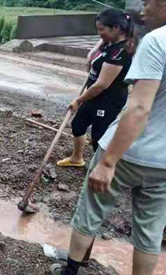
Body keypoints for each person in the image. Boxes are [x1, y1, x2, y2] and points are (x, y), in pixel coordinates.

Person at [50, 0, 166, 274]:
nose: (144, 7)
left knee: (91, 211)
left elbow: (139, 108)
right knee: (150, 233)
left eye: (149, 1)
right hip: (163, 163)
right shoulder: (125, 44)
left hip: (129, 151)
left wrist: (108, 162)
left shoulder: (156, 40)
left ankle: (71, 269)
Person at [57, 8, 135, 168]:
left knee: (99, 136)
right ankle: (76, 158)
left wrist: (78, 100)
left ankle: (101, 169)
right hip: (93, 95)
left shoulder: (120, 52)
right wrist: (92, 54)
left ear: (116, 28)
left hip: (108, 99)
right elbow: (97, 49)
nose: (99, 33)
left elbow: (102, 84)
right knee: (78, 124)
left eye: (101, 29)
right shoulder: (109, 41)